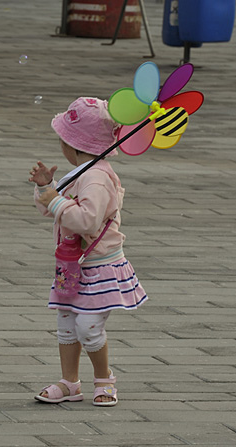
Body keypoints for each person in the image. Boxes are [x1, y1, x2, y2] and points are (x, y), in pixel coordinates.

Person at [28, 97, 147, 406]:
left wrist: (53, 198)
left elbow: (85, 219)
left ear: (74, 144)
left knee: (88, 326)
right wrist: (46, 189)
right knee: (66, 324)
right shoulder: (84, 170)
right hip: (73, 265)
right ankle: (69, 383)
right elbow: (52, 208)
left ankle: (105, 380)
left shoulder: (95, 177)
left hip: (99, 266)